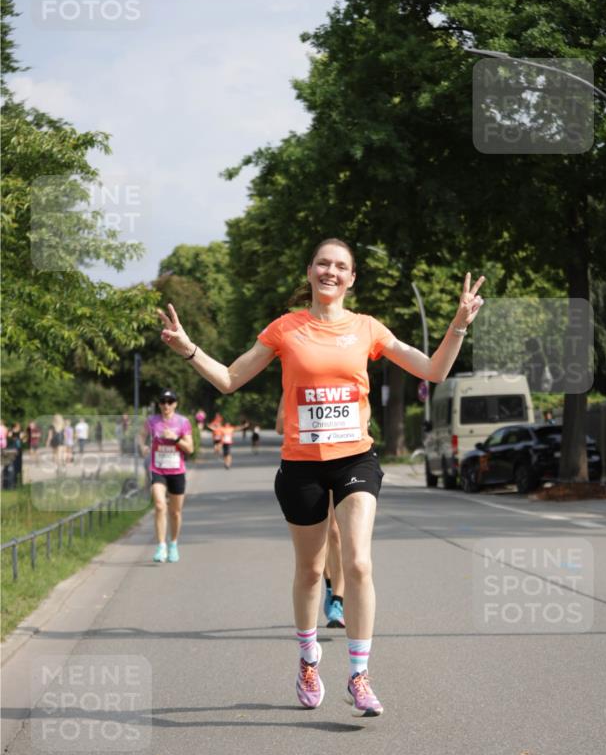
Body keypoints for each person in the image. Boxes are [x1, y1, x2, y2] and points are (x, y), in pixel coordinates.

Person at [158, 238, 484, 716]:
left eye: (341, 266)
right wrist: (188, 349)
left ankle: (359, 674)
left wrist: (458, 325)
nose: (331, 271)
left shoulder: (368, 329)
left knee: (358, 563)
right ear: (310, 271)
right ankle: (309, 658)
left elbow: (432, 370)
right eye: (323, 264)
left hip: (356, 459)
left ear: (352, 279)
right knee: (311, 571)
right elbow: (229, 379)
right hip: (301, 465)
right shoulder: (285, 329)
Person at [277, 395, 345, 627]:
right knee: (322, 534)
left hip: (343, 461)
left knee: (336, 532)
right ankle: (328, 583)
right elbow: (279, 426)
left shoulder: (343, 380)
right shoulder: (297, 384)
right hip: (308, 464)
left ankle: (338, 599)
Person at [139, 389, 193, 563]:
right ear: (159, 404)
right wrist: (142, 446)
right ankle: (161, 546)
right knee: (160, 506)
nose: (166, 405)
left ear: (175, 404)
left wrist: (175, 438)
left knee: (175, 512)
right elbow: (140, 436)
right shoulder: (152, 421)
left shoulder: (183, 422)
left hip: (177, 471)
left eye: (170, 401)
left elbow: (190, 449)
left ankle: (173, 544)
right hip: (158, 469)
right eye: (163, 401)